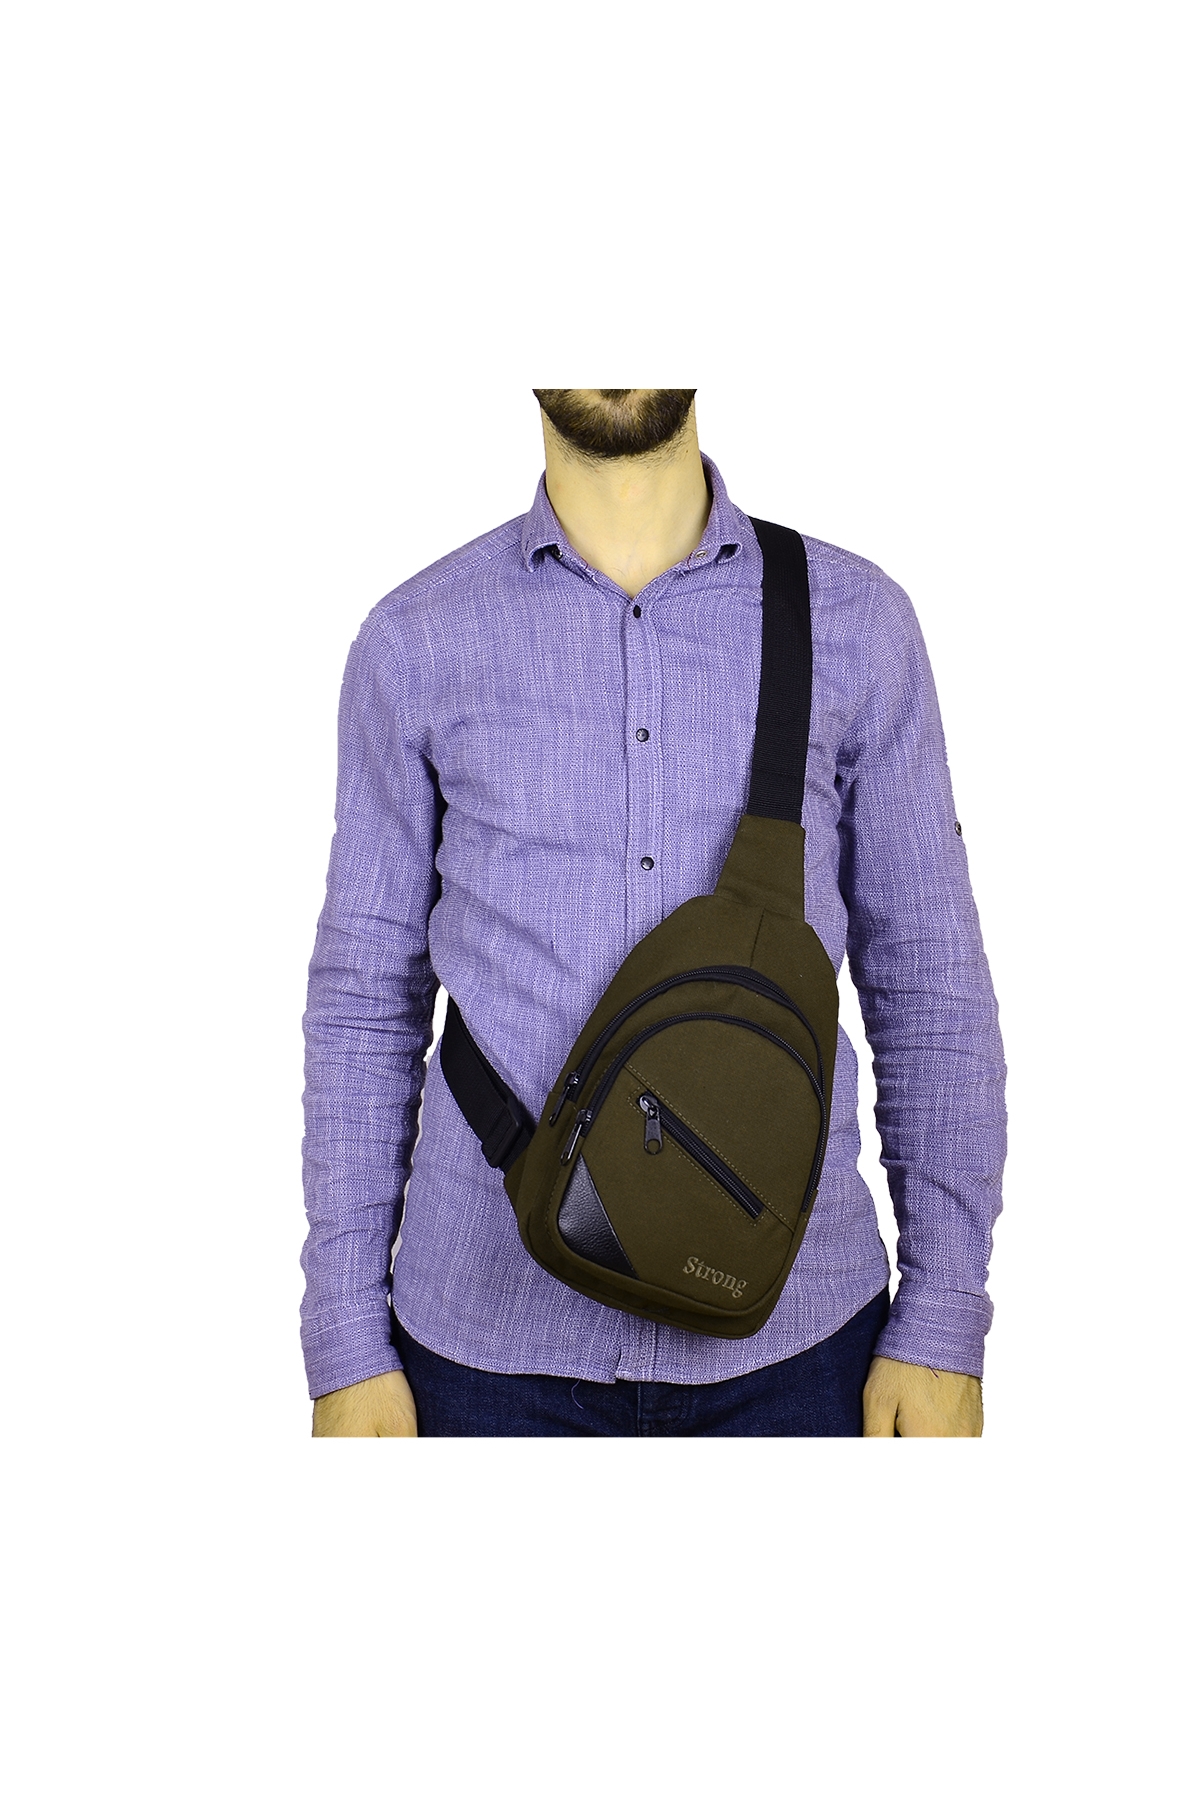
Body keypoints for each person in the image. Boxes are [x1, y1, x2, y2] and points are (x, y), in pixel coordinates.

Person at [301, 389, 1005, 1437]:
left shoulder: (857, 622)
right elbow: (365, 1000)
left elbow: (929, 980)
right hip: (481, 1351)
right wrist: (345, 1342)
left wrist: (943, 1320)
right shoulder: (416, 642)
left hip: (799, 1351)